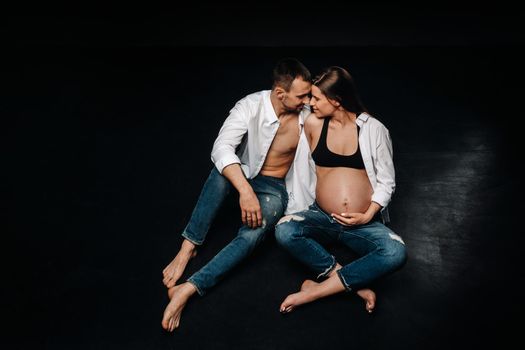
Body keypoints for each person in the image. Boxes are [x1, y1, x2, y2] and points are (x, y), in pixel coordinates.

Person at [161, 58, 315, 331]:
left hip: (275, 188)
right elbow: (221, 148)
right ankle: (188, 246)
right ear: (281, 93)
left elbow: (347, 118)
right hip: (245, 175)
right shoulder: (250, 106)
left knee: (255, 231)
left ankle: (190, 287)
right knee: (220, 172)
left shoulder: (308, 115)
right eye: (302, 95)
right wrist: (244, 190)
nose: (308, 100)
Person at [274, 66, 407, 314]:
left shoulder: (372, 129)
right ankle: (352, 284)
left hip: (363, 222)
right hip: (322, 217)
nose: (310, 102)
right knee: (284, 230)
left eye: (315, 97)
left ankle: (314, 291)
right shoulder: (313, 124)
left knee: (395, 252)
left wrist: (368, 215)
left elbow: (387, 180)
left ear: (336, 101)